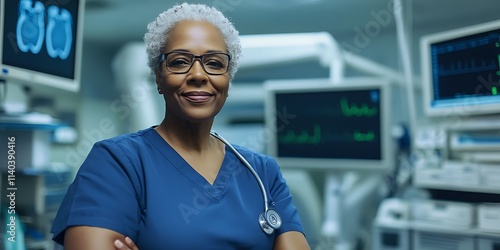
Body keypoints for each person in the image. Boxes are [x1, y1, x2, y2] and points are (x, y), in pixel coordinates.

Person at [51, 2, 310, 249]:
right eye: (179, 62)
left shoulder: (263, 173)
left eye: (214, 63)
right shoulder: (117, 163)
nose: (198, 74)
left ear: (227, 81)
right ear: (159, 79)